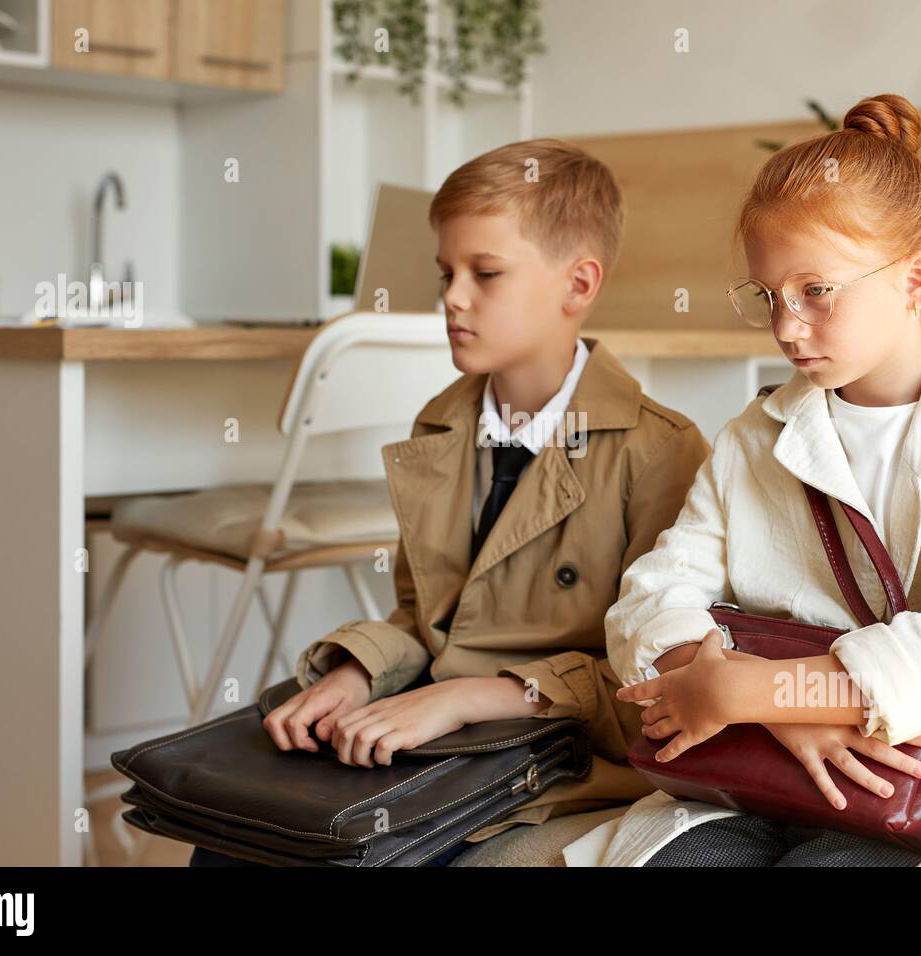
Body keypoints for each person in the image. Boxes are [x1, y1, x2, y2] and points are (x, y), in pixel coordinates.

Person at [589, 93, 921, 867]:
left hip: (904, 779)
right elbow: (652, 596)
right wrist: (770, 708)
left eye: (816, 291)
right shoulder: (751, 438)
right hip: (746, 766)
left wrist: (749, 691)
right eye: (769, 297)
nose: (787, 326)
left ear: (917, 278)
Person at [191, 138, 710, 866]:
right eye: (446, 272)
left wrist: (471, 696)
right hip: (439, 728)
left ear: (579, 284)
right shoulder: (441, 424)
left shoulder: (659, 451)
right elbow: (425, 618)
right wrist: (358, 672)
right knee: (240, 828)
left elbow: (654, 689)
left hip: (548, 750)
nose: (452, 298)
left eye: (485, 273)